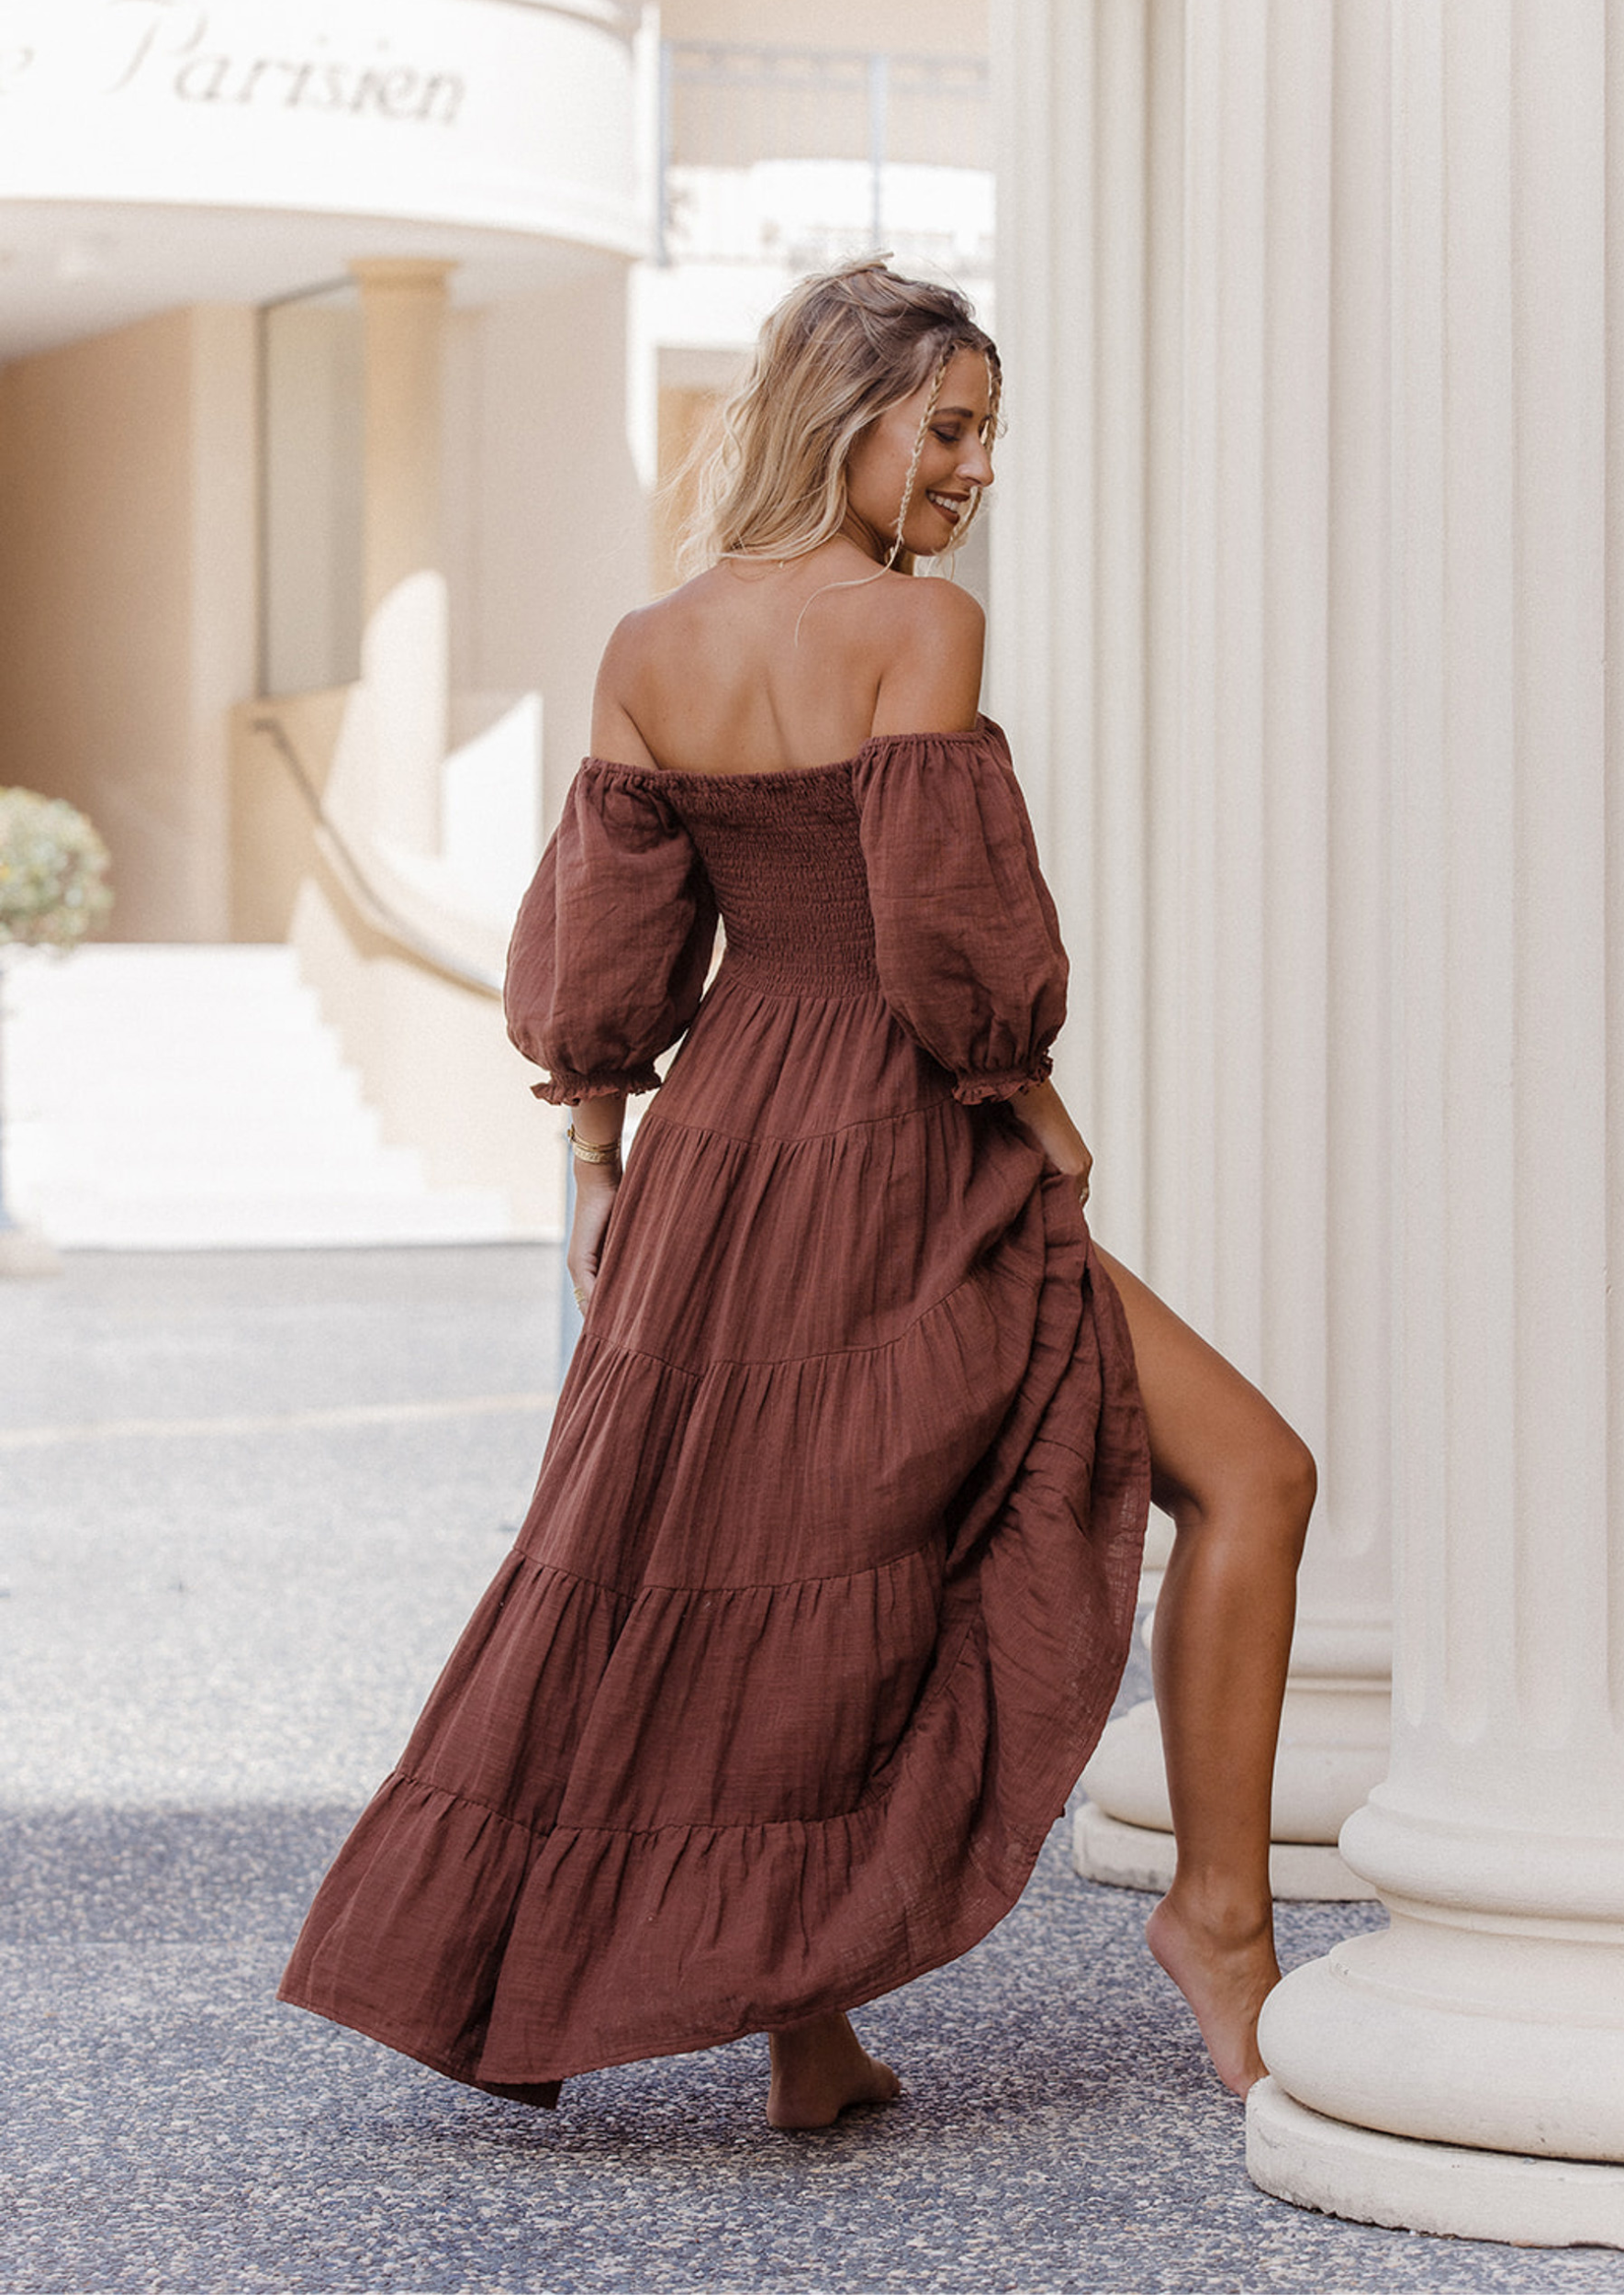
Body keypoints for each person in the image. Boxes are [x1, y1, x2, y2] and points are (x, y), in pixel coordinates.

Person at [280, 259, 1314, 2127]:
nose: (976, 467)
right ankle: (1220, 1919)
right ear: (850, 419)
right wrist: (1034, 1102)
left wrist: (594, 1158)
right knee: (1249, 1473)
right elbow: (944, 930)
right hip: (900, 1124)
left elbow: (608, 943)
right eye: (949, 427)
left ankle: (810, 2026)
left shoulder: (648, 645)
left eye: (987, 431)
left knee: (781, 1552)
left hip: (720, 1142)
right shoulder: (920, 633)